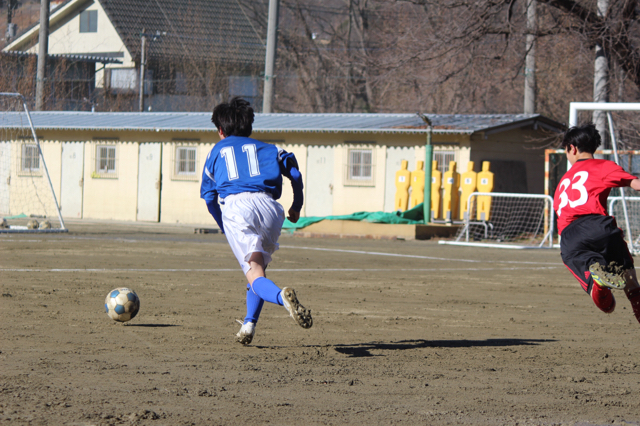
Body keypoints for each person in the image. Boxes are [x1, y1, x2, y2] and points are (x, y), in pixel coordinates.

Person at [200, 97, 312, 345]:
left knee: (254, 273)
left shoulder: (215, 152)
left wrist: (224, 226)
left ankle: (283, 298)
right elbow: (294, 172)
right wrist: (296, 205)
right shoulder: (271, 149)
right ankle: (249, 325)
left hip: (237, 207)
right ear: (249, 127)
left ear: (220, 130)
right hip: (270, 207)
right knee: (259, 270)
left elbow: (209, 198)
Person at [554, 123, 640, 323]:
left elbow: (562, 215)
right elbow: (635, 185)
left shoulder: (563, 181)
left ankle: (598, 282)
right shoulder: (604, 166)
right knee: (632, 284)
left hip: (570, 236)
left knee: (605, 304)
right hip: (600, 227)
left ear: (572, 148)